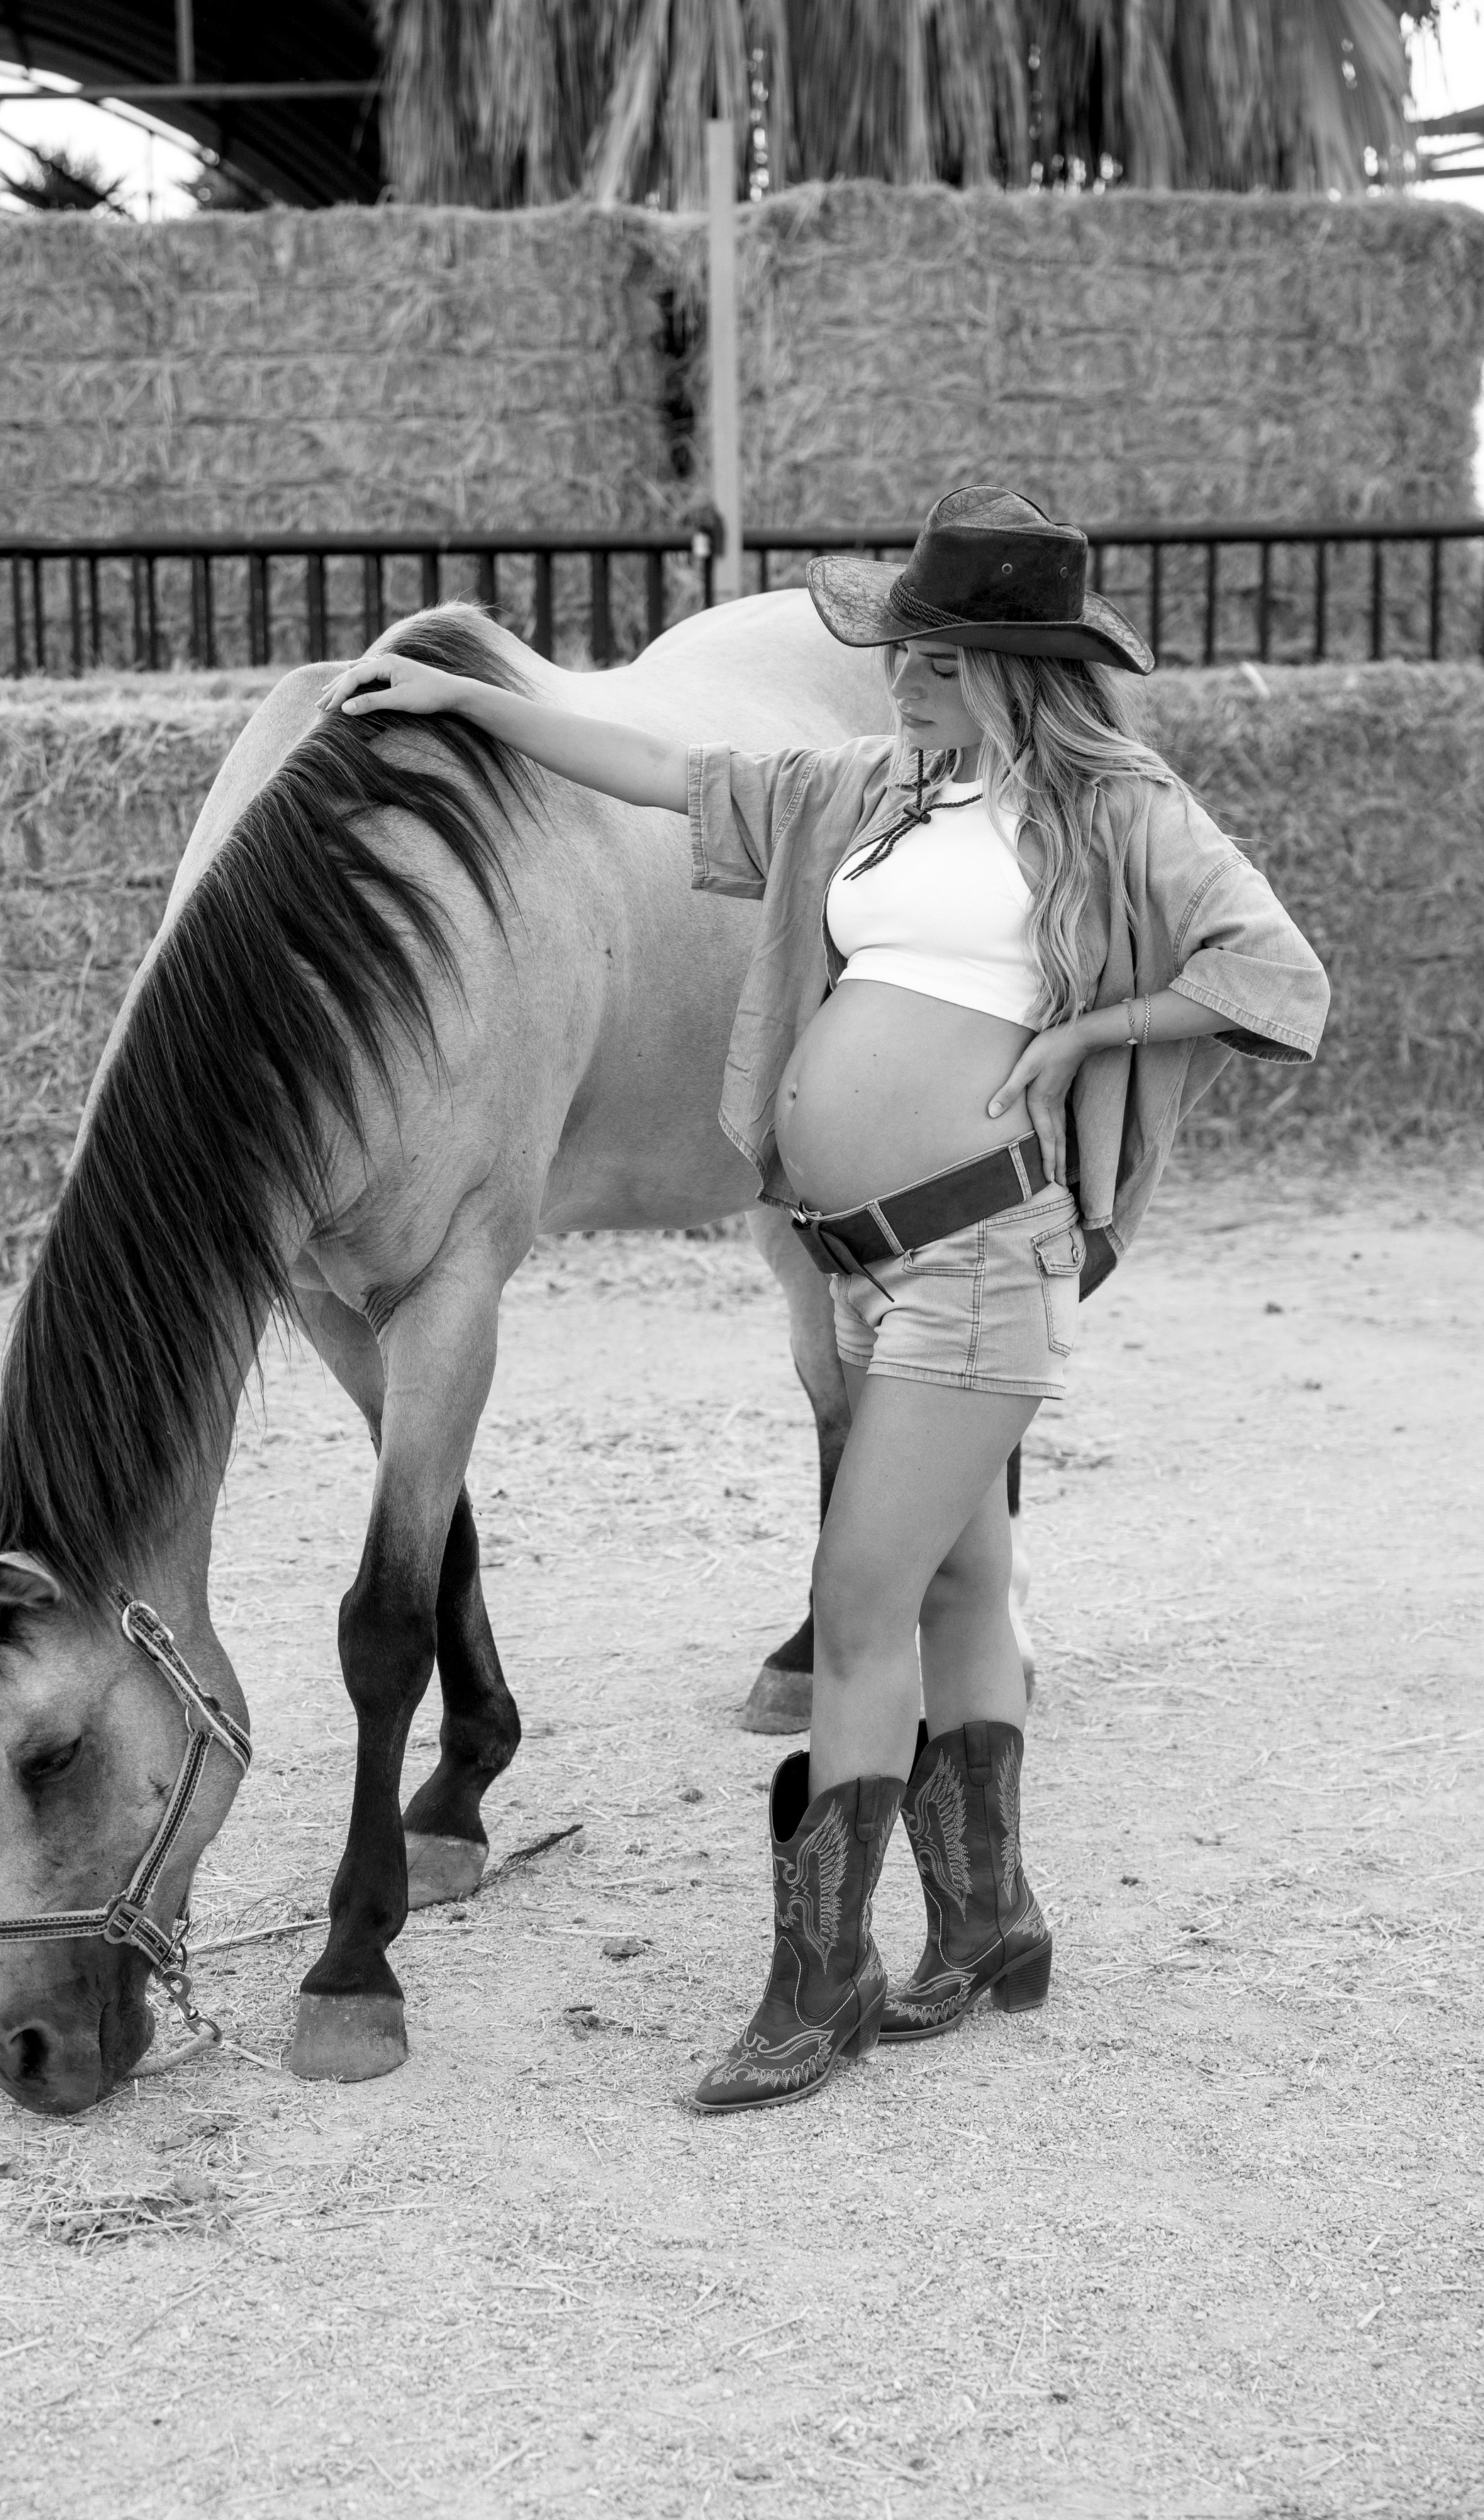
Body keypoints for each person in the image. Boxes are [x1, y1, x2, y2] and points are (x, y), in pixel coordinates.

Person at [319, 487, 1330, 2115]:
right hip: (858, 1255)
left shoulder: (1113, 807)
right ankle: (992, 1926)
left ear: (1011, 666)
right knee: (954, 1599)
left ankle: (819, 1982)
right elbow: (667, 773)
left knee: (857, 1608)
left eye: (930, 656)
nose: (897, 674)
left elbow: (1276, 978)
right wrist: (464, 698)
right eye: (895, 648)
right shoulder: (872, 785)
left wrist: (1085, 1038)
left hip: (978, 1253)